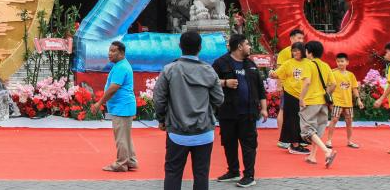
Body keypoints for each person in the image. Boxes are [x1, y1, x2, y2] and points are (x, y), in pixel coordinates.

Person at [153, 31, 224, 190]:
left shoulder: (169, 70)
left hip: (177, 133)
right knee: (201, 174)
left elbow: (158, 99)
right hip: (204, 132)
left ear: (180, 46)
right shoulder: (208, 70)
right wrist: (207, 110)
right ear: (200, 48)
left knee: (173, 173)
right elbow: (219, 99)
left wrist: (162, 119)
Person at [212, 34, 268, 188]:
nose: (250, 47)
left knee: (249, 144)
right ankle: (233, 171)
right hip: (228, 112)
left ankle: (249, 176)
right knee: (229, 143)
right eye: (247, 44)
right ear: (239, 47)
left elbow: (260, 88)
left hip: (249, 113)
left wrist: (264, 108)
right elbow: (210, 81)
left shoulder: (250, 64)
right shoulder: (220, 63)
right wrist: (225, 82)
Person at [90, 40, 137, 172]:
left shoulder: (121, 67)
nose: (109, 53)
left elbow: (113, 88)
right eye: (109, 50)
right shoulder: (121, 65)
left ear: (121, 53)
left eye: (113, 51)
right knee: (125, 136)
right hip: (124, 106)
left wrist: (99, 103)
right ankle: (131, 161)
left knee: (121, 137)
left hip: (122, 107)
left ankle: (121, 164)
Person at [297, 41, 337, 168]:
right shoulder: (325, 65)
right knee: (318, 130)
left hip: (310, 101)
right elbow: (334, 84)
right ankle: (312, 156)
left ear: (309, 52)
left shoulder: (308, 65)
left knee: (307, 130)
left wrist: (301, 98)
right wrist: (326, 93)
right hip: (323, 103)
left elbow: (307, 82)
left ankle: (327, 151)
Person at [270, 42, 308, 155]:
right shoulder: (288, 63)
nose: (295, 52)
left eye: (297, 50)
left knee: (301, 120)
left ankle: (299, 142)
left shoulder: (308, 63)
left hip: (303, 96)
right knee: (292, 120)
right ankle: (294, 145)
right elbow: (276, 74)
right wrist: (272, 73)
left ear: (303, 51)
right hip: (290, 94)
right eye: (293, 50)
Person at [325, 53, 363, 149]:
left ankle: (350, 141)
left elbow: (354, 88)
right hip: (337, 102)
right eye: (338, 61)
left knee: (349, 121)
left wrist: (358, 100)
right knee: (334, 119)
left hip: (348, 102)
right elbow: (328, 88)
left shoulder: (351, 75)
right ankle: (328, 141)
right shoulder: (333, 74)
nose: (340, 63)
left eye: (342, 61)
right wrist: (329, 101)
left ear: (347, 62)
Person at [275, 29, 304, 149]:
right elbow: (279, 71)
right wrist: (279, 85)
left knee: (299, 114)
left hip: (301, 89)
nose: (301, 40)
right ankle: (283, 139)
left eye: (302, 38)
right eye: (298, 38)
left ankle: (297, 137)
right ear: (291, 39)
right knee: (283, 110)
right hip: (288, 88)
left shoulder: (303, 52)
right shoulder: (284, 52)